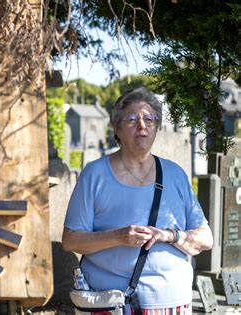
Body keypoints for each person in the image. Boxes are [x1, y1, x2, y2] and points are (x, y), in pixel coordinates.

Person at [62, 87, 213, 314]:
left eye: (149, 119)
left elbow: (206, 238)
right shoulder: (94, 175)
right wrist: (117, 236)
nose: (142, 125)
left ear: (157, 127)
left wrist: (170, 235)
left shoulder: (176, 174)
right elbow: (71, 240)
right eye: (132, 119)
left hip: (173, 302)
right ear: (117, 128)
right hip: (111, 302)